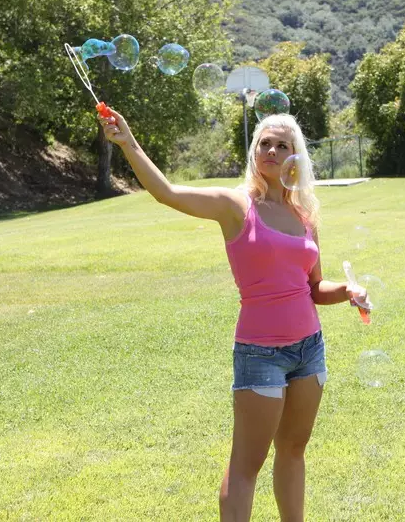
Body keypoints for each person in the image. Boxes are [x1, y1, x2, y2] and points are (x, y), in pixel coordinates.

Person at [99, 109, 367, 522]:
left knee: (293, 450)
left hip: (309, 351)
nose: (272, 150)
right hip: (261, 354)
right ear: (254, 152)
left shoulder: (305, 216)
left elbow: (314, 288)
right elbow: (167, 192)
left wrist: (348, 291)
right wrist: (127, 142)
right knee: (247, 464)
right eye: (264, 143)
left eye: (282, 145)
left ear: (296, 156)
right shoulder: (236, 206)